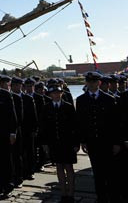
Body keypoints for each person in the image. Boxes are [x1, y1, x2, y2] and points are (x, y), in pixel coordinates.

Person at [76, 71, 121, 203]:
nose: (91, 84)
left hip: (107, 142)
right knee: (97, 172)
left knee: (111, 172)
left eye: (94, 81)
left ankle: (113, 197)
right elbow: (81, 123)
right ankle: (101, 197)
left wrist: (116, 142)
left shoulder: (109, 99)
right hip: (92, 142)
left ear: (99, 83)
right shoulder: (81, 100)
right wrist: (83, 141)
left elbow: (115, 123)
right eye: (89, 82)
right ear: (86, 83)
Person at [40, 84, 77, 203]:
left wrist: (76, 143)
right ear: (50, 95)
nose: (56, 95)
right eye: (54, 93)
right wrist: (45, 143)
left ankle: (71, 194)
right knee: (59, 167)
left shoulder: (68, 107)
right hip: (54, 142)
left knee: (69, 168)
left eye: (58, 93)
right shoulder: (46, 108)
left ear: (61, 94)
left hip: (67, 143)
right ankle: (63, 194)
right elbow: (44, 127)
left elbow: (75, 127)